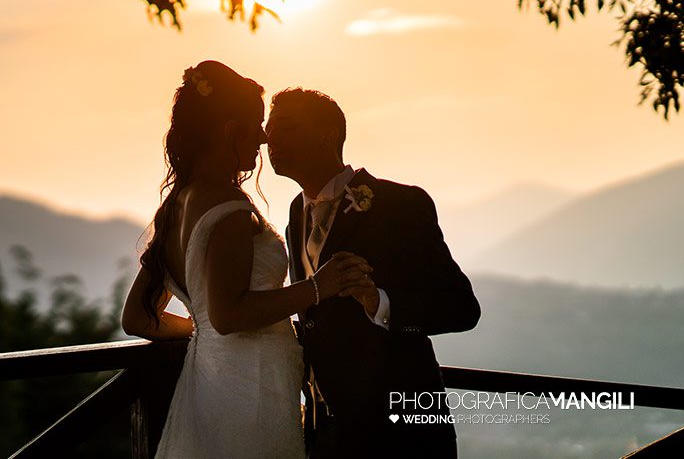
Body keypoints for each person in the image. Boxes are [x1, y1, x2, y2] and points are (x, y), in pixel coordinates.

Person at [122, 61, 373, 459]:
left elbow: (137, 318)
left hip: (208, 386)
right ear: (229, 130)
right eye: (256, 125)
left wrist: (201, 330)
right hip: (250, 392)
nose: (263, 137)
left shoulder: (175, 206)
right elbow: (229, 315)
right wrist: (316, 287)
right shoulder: (229, 208)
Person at [266, 88, 481, 458]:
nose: (271, 139)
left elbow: (461, 308)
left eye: (285, 128)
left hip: (399, 434)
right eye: (269, 130)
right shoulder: (295, 214)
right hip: (326, 434)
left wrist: (378, 302)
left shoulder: (399, 205)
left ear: (327, 135)